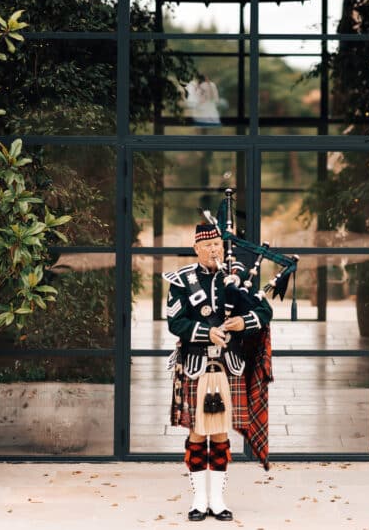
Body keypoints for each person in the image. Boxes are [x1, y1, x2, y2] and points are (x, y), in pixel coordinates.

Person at [165, 223, 274, 522]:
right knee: (198, 431)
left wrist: (243, 322)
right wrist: (205, 332)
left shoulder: (236, 279)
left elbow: (264, 313)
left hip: (229, 365)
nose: (214, 250)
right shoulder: (182, 281)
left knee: (222, 432)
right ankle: (199, 499)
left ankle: (218, 499)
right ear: (196, 248)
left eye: (218, 244)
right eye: (208, 245)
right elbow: (176, 323)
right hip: (197, 365)